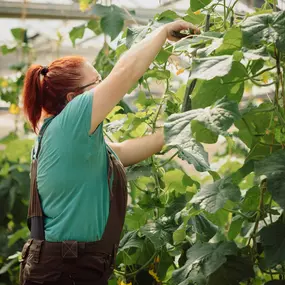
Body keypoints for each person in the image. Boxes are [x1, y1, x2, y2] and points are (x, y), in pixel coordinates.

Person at [20, 20, 198, 285]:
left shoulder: (66, 138)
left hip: (68, 268)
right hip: (65, 271)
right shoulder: (70, 123)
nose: (105, 86)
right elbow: (125, 71)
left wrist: (182, 127)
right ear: (73, 99)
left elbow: (122, 152)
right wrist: (162, 32)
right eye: (98, 82)